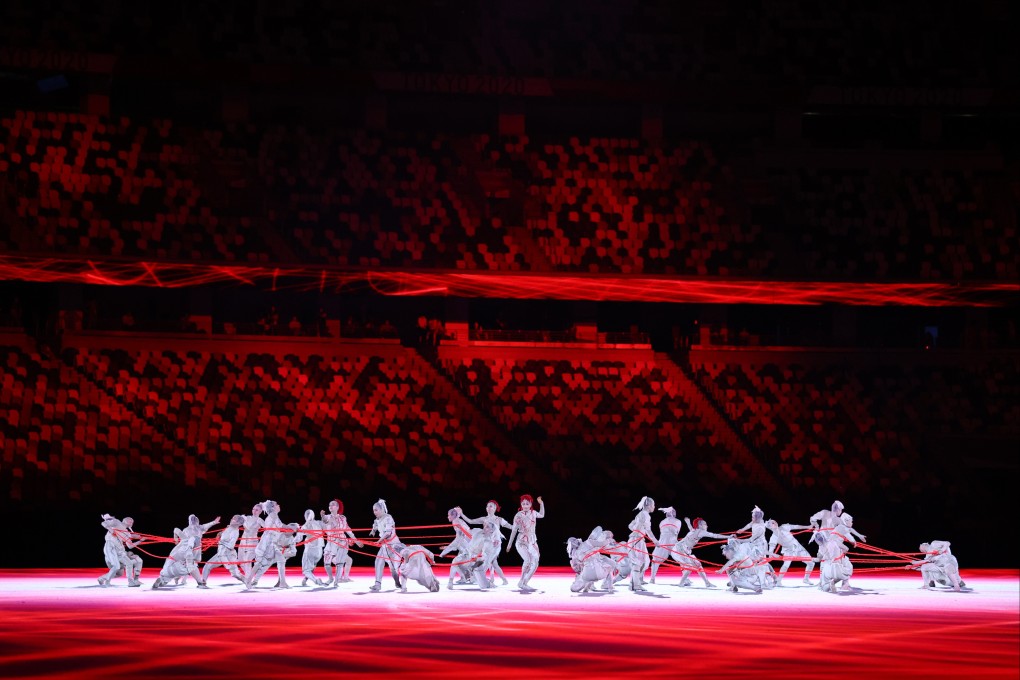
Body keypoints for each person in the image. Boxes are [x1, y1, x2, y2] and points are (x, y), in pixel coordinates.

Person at [463, 500, 514, 586]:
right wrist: (461, 514)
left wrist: (520, 528)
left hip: (495, 544)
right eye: (487, 506)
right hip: (486, 543)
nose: (488, 508)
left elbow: (510, 526)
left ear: (495, 508)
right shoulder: (484, 519)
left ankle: (479, 578)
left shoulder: (499, 519)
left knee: (487, 561)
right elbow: (470, 521)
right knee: (494, 563)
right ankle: (503, 580)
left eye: (491, 506)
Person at [675, 517, 729, 588]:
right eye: (705, 524)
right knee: (690, 567)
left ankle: (707, 583)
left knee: (698, 565)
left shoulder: (695, 530)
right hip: (680, 550)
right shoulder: (701, 531)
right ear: (700, 525)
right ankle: (681, 583)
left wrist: (688, 523)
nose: (707, 526)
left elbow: (691, 529)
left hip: (683, 550)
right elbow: (715, 535)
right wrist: (729, 536)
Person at [507, 494, 545, 592]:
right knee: (527, 560)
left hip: (532, 541)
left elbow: (542, 515)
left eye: (527, 504)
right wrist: (509, 544)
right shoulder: (518, 515)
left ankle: (524, 582)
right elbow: (514, 530)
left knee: (535, 562)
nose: (525, 505)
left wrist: (541, 504)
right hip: (521, 541)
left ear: (531, 504)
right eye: (523, 504)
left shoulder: (533, 513)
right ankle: (522, 582)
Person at [321, 499, 363, 587]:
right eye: (329, 505)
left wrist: (356, 541)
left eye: (332, 505)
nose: (330, 506)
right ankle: (331, 578)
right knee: (327, 562)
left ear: (337, 507)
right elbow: (325, 520)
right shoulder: (328, 517)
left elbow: (348, 530)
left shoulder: (343, 518)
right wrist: (323, 516)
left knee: (340, 562)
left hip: (342, 541)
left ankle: (337, 581)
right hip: (331, 541)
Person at [765, 518, 816, 585]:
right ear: (770, 527)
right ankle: (779, 581)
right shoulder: (773, 537)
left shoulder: (784, 527)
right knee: (786, 565)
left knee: (811, 563)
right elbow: (771, 551)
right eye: (772, 523)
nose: (774, 522)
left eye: (774, 521)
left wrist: (808, 526)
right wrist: (771, 555)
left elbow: (796, 526)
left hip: (798, 547)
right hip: (788, 550)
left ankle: (806, 579)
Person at [567, 526, 618, 593]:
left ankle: (586, 587)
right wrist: (609, 541)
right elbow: (603, 544)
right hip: (598, 572)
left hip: (586, 576)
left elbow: (578, 567)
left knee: (573, 588)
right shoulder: (589, 542)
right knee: (609, 568)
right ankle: (609, 587)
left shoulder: (576, 554)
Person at [626, 496, 659, 592]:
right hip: (636, 540)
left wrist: (637, 530)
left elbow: (630, 526)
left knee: (645, 561)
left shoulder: (641, 514)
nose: (654, 507)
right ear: (648, 505)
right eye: (653, 505)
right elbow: (648, 530)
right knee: (638, 562)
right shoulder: (645, 514)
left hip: (639, 539)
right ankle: (635, 585)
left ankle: (633, 583)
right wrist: (655, 541)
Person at [369, 499, 402, 592]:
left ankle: (397, 581)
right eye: (373, 510)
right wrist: (373, 531)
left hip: (394, 545)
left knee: (393, 568)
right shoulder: (377, 520)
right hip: (384, 545)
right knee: (378, 562)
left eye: (376, 510)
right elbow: (375, 526)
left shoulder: (388, 518)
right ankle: (377, 584)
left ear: (382, 509)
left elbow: (388, 533)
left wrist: (379, 541)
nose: (374, 512)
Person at [201, 515, 245, 584]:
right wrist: (220, 534)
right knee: (207, 565)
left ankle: (247, 581)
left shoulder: (235, 532)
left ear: (237, 523)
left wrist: (220, 541)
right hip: (221, 553)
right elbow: (224, 534)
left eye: (234, 519)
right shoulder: (229, 527)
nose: (231, 519)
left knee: (236, 574)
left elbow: (231, 546)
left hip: (228, 555)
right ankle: (203, 582)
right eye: (232, 518)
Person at [649, 506, 682, 584]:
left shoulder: (662, 522)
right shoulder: (678, 521)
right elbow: (677, 532)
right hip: (672, 540)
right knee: (681, 558)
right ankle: (685, 578)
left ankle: (652, 579)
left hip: (663, 541)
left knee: (655, 560)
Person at [298, 509, 327, 587]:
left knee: (306, 570)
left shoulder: (305, 525)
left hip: (311, 549)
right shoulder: (318, 523)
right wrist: (322, 517)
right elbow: (326, 527)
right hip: (319, 551)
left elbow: (298, 538)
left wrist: (296, 530)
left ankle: (316, 581)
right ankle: (305, 580)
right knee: (312, 566)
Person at [238, 503, 265, 579]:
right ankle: (249, 575)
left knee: (247, 560)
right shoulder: (246, 518)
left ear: (260, 511)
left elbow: (268, 528)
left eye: (257, 510)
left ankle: (248, 579)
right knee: (240, 561)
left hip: (252, 542)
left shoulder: (259, 520)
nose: (254, 511)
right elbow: (236, 523)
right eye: (253, 509)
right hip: (243, 541)